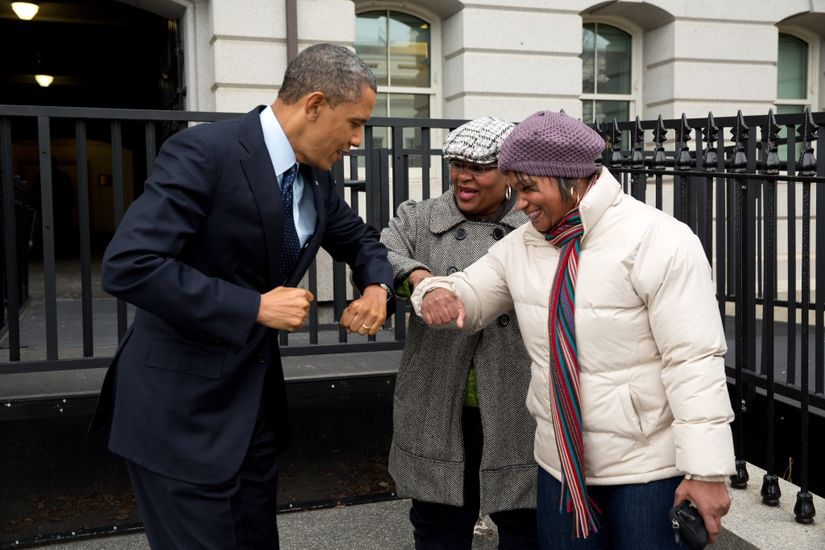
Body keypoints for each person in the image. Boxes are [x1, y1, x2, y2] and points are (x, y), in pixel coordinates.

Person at [90, 43, 394, 549]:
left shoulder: (317, 177)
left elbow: (360, 239)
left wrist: (377, 287)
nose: (358, 140)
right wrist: (252, 306)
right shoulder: (205, 152)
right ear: (315, 105)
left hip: (252, 419)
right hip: (179, 418)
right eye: (356, 123)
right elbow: (130, 265)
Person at [411, 111, 735, 549]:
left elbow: (694, 360)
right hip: (558, 465)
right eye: (515, 189)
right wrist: (433, 291)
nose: (519, 203)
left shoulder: (660, 240)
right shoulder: (522, 245)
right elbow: (467, 290)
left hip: (645, 468)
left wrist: (707, 471)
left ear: (571, 180)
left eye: (527, 188)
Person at [381, 117, 539, 549]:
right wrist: (418, 276)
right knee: (438, 526)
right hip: (439, 398)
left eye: (480, 167)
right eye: (457, 164)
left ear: (509, 173)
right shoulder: (419, 217)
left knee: (525, 523)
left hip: (515, 399)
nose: (464, 177)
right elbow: (382, 250)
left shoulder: (534, 223)